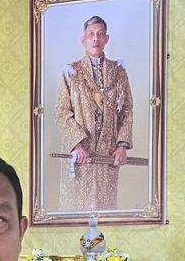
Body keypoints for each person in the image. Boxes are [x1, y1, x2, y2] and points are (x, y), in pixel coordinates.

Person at [55, 16, 134, 213]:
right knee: (77, 211)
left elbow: (126, 110)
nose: (95, 38)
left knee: (105, 212)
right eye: (91, 34)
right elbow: (62, 112)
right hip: (81, 155)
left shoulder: (118, 72)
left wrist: (121, 146)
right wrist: (77, 144)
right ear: (83, 40)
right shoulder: (71, 72)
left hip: (107, 154)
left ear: (106, 39)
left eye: (100, 34)